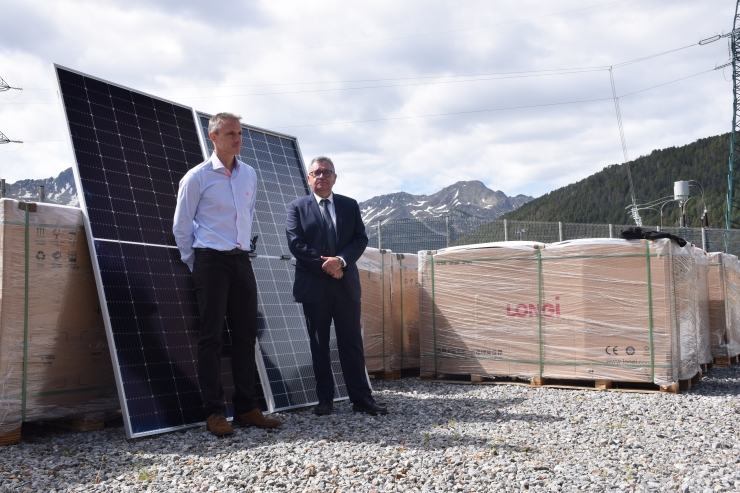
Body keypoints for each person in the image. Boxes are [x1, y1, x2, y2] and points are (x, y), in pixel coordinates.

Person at [173, 112, 282, 436]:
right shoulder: (197, 177)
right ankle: (214, 412)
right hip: (210, 261)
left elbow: (246, 215)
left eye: (240, 133)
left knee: (246, 334)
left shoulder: (249, 174)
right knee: (211, 337)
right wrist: (197, 263)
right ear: (214, 137)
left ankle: (247, 407)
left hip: (240, 259)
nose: (238, 139)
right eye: (231, 133)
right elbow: (181, 226)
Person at [285, 156, 388, 416]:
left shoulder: (349, 206)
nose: (321, 176)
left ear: (335, 177)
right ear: (309, 178)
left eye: (326, 172)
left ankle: (361, 398)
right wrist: (326, 265)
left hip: (345, 286)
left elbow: (359, 238)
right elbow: (296, 243)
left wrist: (340, 261)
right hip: (314, 285)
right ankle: (325, 399)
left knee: (351, 342)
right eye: (316, 172)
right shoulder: (297, 207)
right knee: (319, 344)